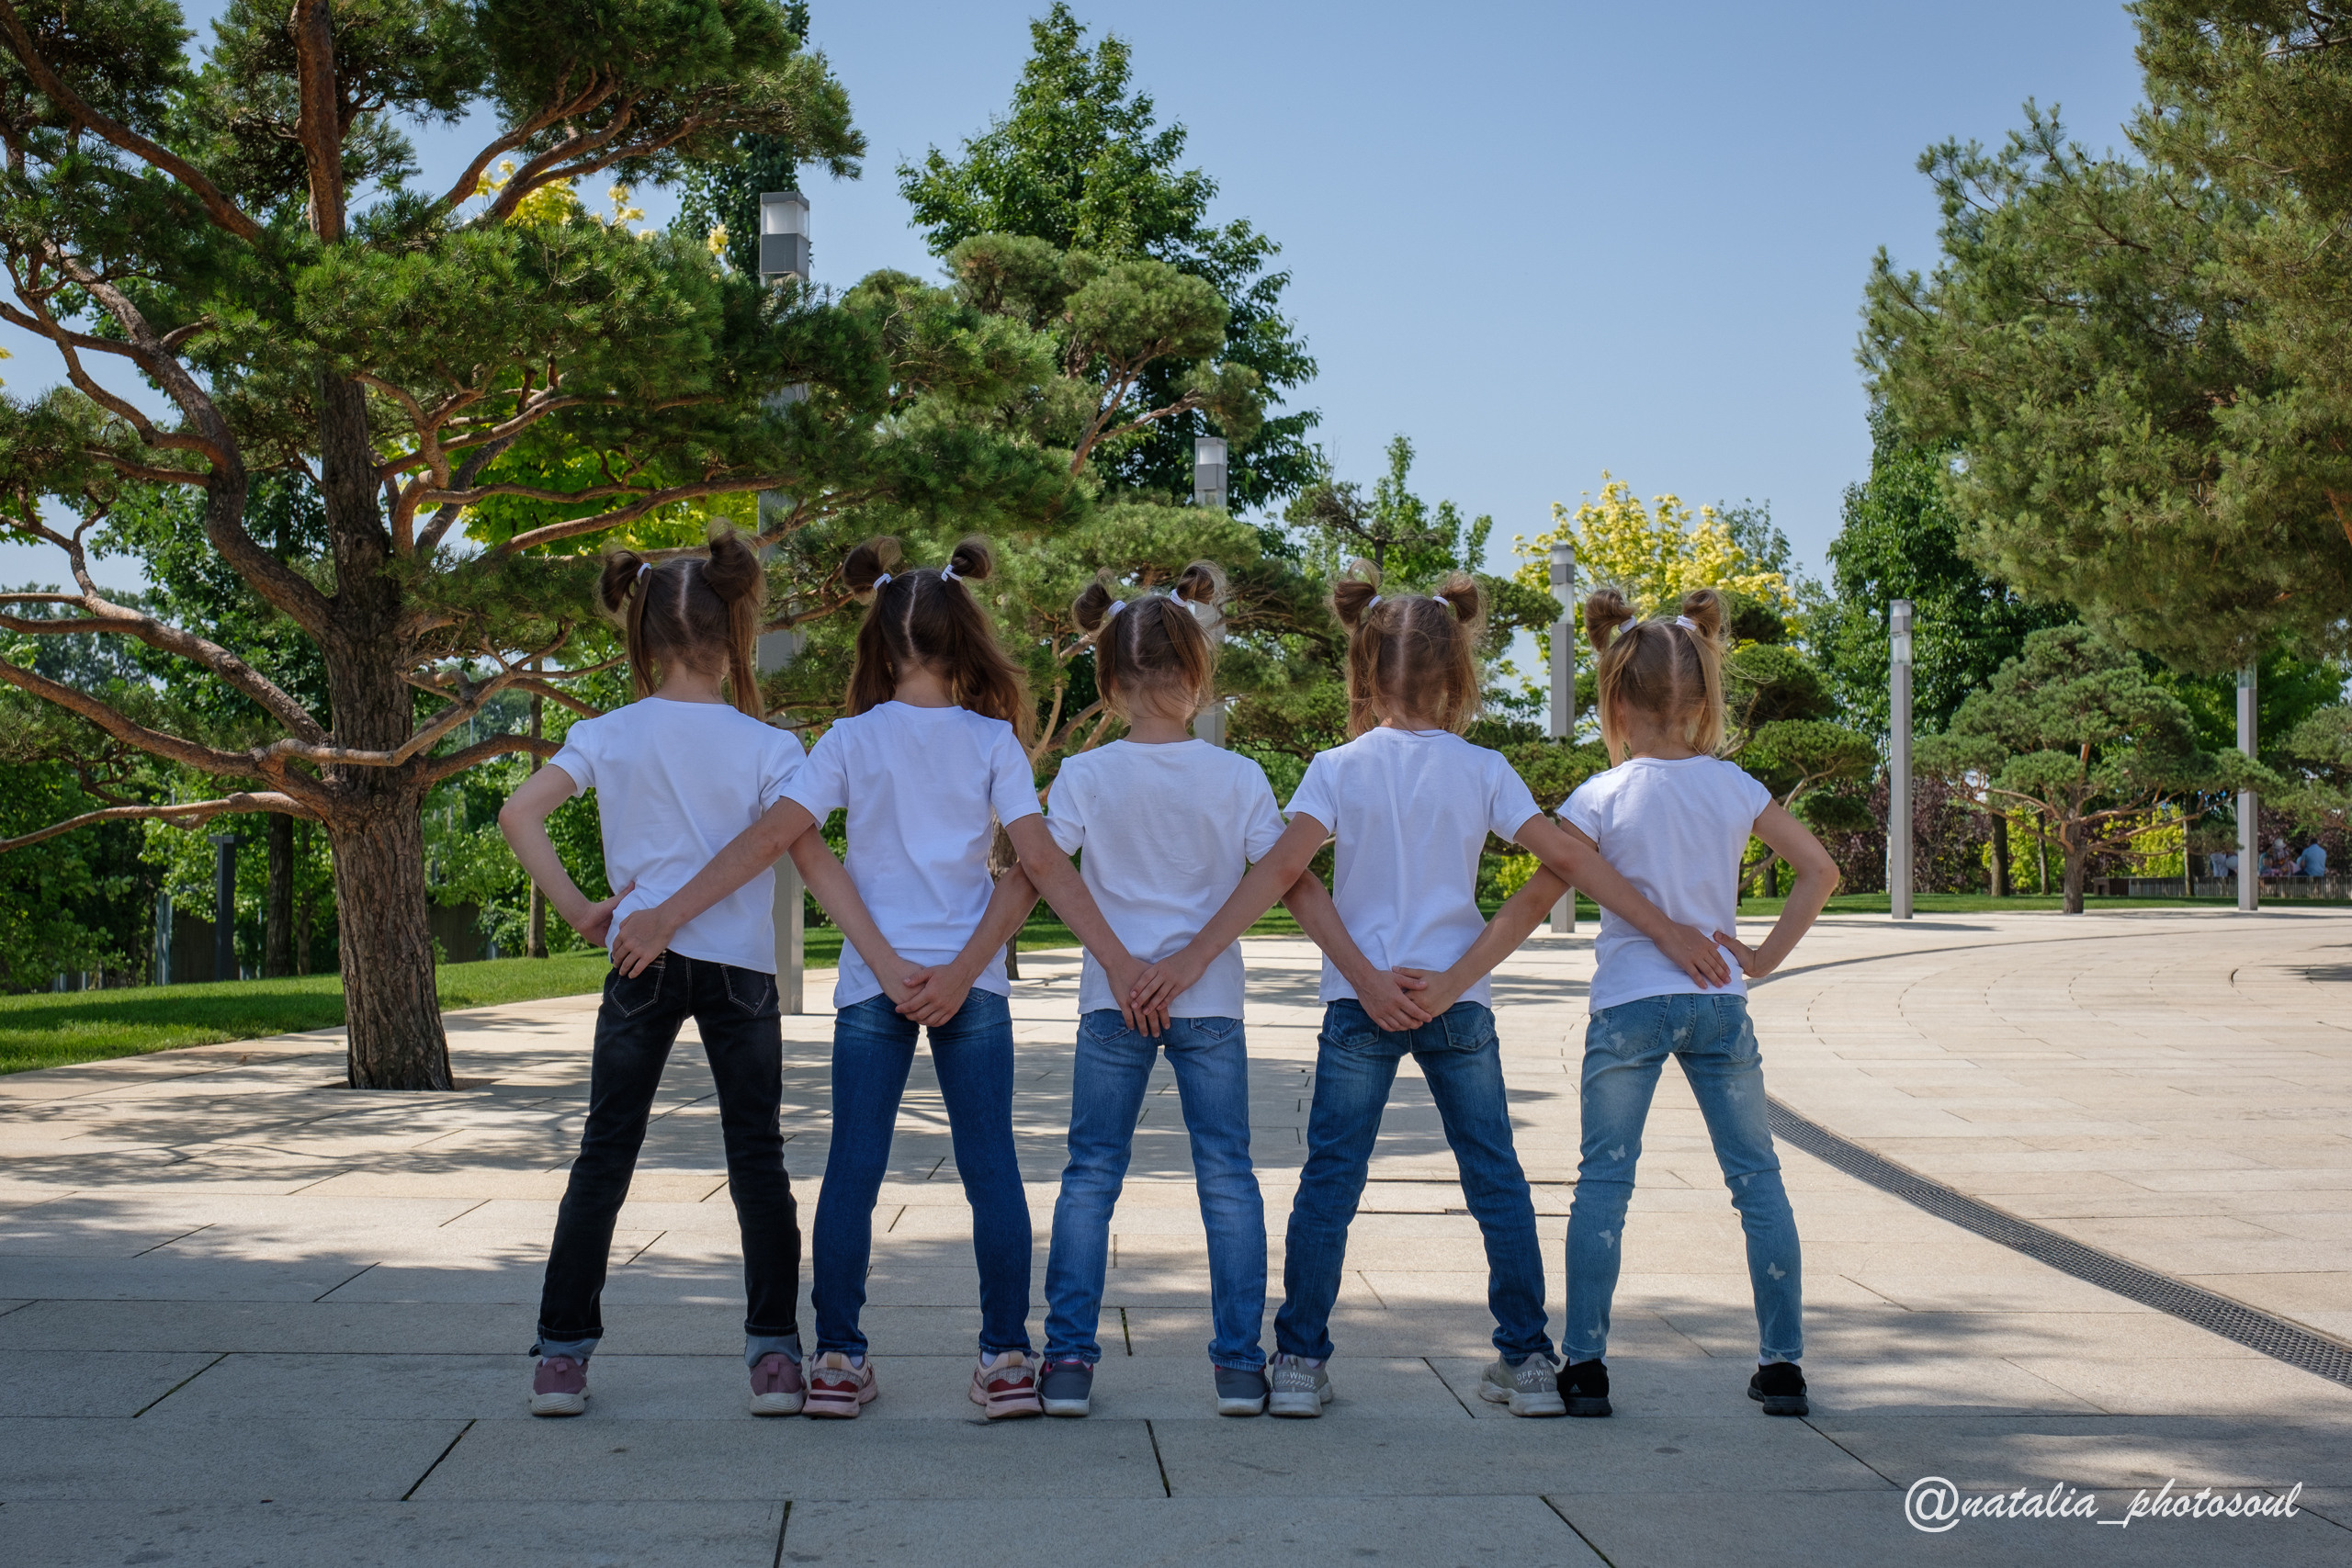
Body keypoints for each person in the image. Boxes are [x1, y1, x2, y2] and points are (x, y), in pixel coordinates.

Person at [1129, 561, 1730, 1420]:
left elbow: (1285, 872)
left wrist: (1350, 975)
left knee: (1330, 1181)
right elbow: (1563, 865)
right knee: (1495, 1179)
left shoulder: (1336, 767)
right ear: (1457, 678)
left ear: (1367, 675)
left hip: (1359, 1005)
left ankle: (1298, 1360)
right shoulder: (1483, 768)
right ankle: (1527, 1361)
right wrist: (1463, 975)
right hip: (1459, 1005)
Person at [608, 536, 1136, 1421]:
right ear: (961, 635)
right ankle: (1007, 1359)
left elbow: (784, 840)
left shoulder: (849, 739)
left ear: (883, 645)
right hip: (972, 988)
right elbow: (1038, 863)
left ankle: (839, 1363)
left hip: (871, 985)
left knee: (852, 1172)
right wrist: (1086, 963)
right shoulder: (995, 739)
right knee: (992, 1173)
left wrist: (668, 914)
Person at [499, 530, 882, 1419]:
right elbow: (800, 848)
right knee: (756, 1160)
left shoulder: (606, 732)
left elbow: (521, 813)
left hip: (639, 957)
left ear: (641, 639)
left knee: (604, 1154)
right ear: (732, 632)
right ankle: (774, 1357)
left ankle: (561, 1356)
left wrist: (580, 911)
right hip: (740, 969)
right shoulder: (768, 744)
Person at [1504, 587, 1838, 1419]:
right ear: (1702, 697)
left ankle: (1583, 1365)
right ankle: (1783, 1365)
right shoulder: (1733, 786)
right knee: (1757, 1180)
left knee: (1603, 1184)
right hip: (1719, 1002)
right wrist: (1761, 956)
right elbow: (1820, 870)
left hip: (1627, 1005)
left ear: (1615, 697)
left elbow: (1547, 886)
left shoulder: (1601, 794)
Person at [1033, 564, 1286, 1419]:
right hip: (1209, 998)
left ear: (1106, 682)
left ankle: (1066, 1361)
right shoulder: (1239, 775)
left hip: (1112, 999)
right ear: (1198, 674)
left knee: (1091, 1174)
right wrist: (1188, 962)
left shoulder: (1086, 775)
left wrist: (1122, 962)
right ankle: (1239, 1366)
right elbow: (1277, 875)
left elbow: (1041, 866)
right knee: (1227, 1176)